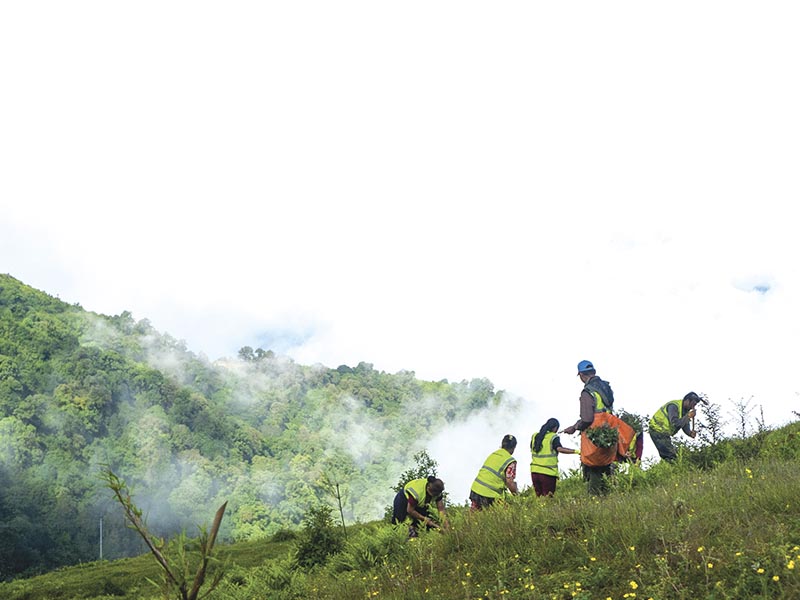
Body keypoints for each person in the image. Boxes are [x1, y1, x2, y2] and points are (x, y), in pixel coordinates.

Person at [562, 360, 616, 495]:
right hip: (609, 432)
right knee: (606, 464)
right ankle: (610, 496)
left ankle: (595, 499)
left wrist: (575, 427)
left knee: (594, 468)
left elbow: (587, 419)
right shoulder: (606, 388)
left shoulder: (587, 392)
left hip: (595, 435)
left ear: (581, 375)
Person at [530, 418, 579, 497]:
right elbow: (560, 449)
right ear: (555, 428)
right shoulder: (553, 437)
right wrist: (576, 451)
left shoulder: (535, 436)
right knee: (548, 498)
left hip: (535, 472)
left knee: (539, 498)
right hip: (547, 473)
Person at [649, 392, 703, 462]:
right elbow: (676, 423)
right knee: (669, 454)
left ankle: (671, 468)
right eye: (692, 404)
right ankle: (673, 470)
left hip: (664, 433)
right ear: (686, 400)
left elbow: (684, 425)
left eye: (694, 405)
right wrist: (688, 416)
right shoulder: (674, 406)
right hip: (656, 429)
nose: (692, 407)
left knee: (671, 453)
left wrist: (689, 433)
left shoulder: (685, 411)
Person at [469, 434, 519, 510]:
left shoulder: (493, 454)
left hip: (476, 490)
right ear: (513, 448)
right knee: (504, 515)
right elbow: (509, 482)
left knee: (474, 517)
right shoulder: (510, 461)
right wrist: (517, 495)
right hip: (490, 495)